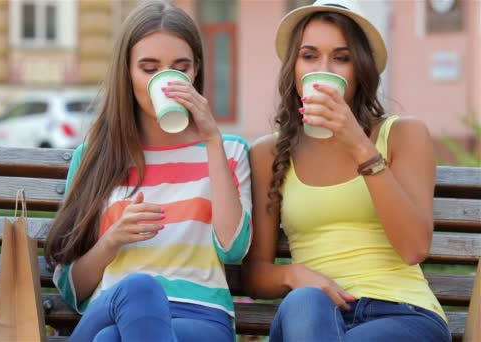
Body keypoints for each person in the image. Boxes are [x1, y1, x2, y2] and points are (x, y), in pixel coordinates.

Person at [241, 0, 450, 341]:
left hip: (401, 312)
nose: (324, 69)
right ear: (293, 67)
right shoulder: (269, 153)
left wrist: (359, 144)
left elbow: (414, 248)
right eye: (309, 55)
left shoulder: (402, 135)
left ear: (360, 69)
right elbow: (256, 274)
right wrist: (294, 275)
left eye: (341, 57)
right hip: (312, 316)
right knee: (305, 301)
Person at [44, 1, 252, 341]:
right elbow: (73, 287)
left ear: (196, 70)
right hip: (113, 306)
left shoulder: (227, 150)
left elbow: (232, 249)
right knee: (138, 290)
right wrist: (112, 240)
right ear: (127, 72)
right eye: (149, 68)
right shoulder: (97, 158)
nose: (166, 81)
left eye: (179, 68)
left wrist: (211, 138)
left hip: (198, 313)